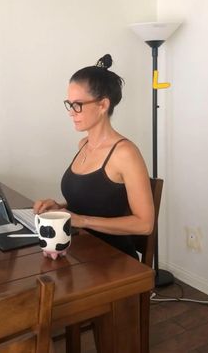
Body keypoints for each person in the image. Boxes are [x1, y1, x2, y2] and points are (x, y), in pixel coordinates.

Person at [34, 54, 154, 260]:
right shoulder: (83, 145)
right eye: (69, 104)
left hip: (113, 259)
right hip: (81, 250)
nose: (71, 112)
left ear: (102, 105)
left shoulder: (125, 153)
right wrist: (60, 209)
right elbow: (93, 200)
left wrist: (82, 221)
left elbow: (145, 224)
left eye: (78, 105)